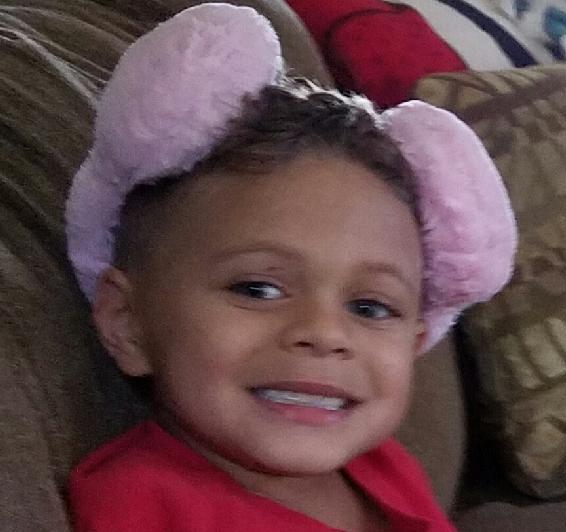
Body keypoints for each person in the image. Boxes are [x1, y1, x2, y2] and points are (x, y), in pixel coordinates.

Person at [65, 4, 517, 531]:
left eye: (370, 307)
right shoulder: (140, 503)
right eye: (258, 289)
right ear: (127, 322)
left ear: (416, 341)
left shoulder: (385, 467)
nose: (324, 333)